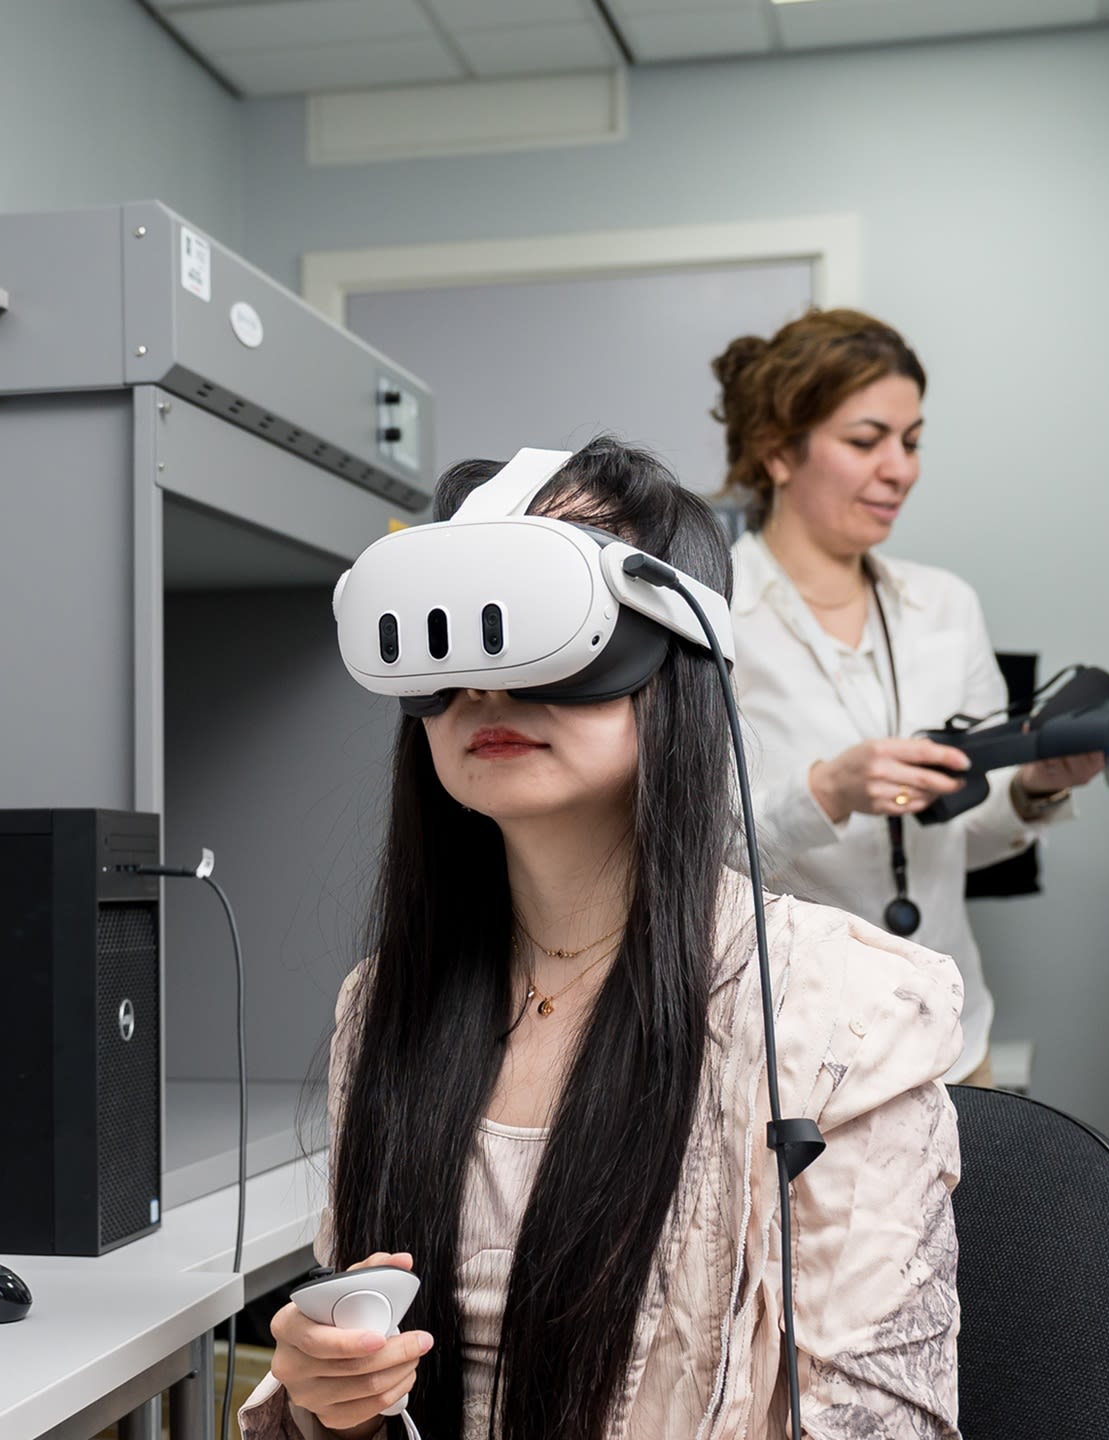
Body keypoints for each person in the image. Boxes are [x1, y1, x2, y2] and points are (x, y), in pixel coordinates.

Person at [238, 438, 963, 1440]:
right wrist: (328, 1403)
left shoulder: (841, 1016)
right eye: (451, 632)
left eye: (546, 624)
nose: (488, 683)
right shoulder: (386, 1005)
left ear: (678, 656)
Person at [710, 309, 1100, 1087]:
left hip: (952, 1041)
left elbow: (967, 836)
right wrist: (829, 790)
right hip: (785, 1054)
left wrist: (1031, 790)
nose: (902, 469)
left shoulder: (946, 607)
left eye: (911, 441)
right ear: (779, 452)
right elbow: (689, 853)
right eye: (866, 441)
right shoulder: (710, 615)